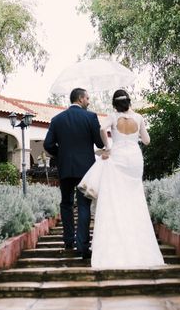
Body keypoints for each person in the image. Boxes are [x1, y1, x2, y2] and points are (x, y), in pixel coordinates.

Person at [78, 89, 164, 268]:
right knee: (135, 200)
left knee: (114, 200)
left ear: (115, 104)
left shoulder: (112, 116)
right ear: (129, 101)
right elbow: (147, 141)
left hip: (117, 156)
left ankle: (114, 244)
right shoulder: (139, 118)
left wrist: (108, 146)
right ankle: (140, 245)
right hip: (134, 158)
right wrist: (137, 135)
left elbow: (102, 128)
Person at [43, 88, 106, 259]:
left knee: (66, 204)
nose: (89, 101)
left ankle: (69, 241)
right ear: (80, 98)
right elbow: (100, 143)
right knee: (84, 205)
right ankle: (82, 247)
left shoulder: (57, 119)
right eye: (87, 98)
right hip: (86, 170)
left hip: (65, 169)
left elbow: (48, 144)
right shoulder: (90, 117)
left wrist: (61, 154)